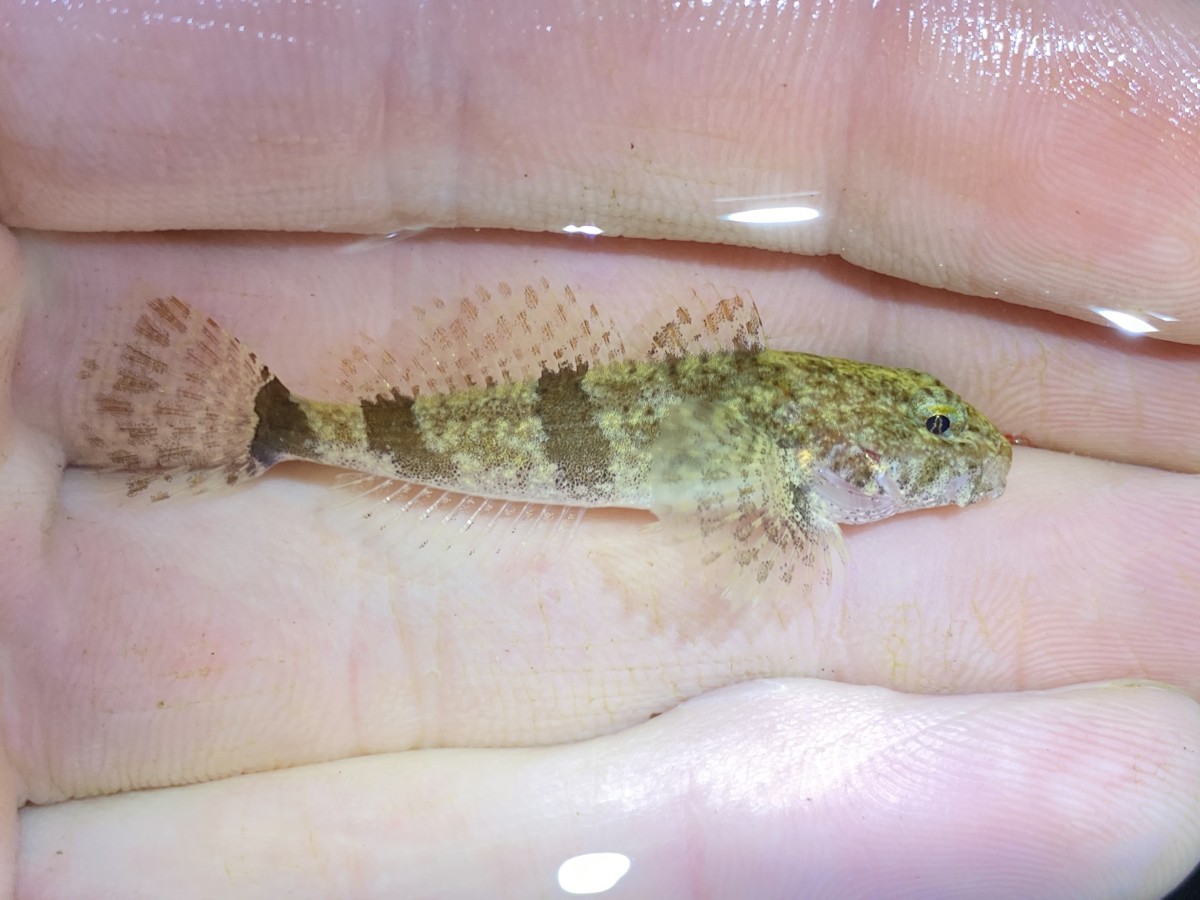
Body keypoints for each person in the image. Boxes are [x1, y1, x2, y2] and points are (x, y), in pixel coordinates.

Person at [1, 0, 1199, 896]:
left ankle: (280, 428)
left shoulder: (798, 446)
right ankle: (274, 426)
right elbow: (735, 562)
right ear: (857, 442)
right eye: (941, 430)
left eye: (950, 429)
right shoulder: (785, 461)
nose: (968, 450)